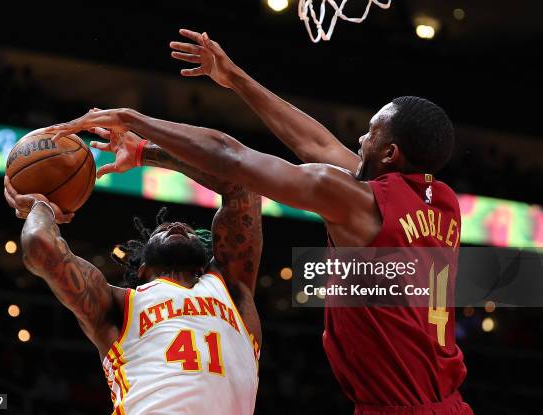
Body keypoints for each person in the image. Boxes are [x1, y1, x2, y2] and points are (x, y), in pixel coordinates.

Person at [44, 82, 472, 413]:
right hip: (446, 399)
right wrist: (232, 78)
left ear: (390, 154)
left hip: (398, 405)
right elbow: (319, 147)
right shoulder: (442, 201)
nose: (359, 141)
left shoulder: (356, 204)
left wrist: (132, 119)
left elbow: (232, 159)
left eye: (370, 134)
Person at [4, 127, 262, 415]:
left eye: (187, 230)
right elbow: (40, 245)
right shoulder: (117, 306)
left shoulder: (230, 287)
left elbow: (242, 185)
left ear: (204, 262)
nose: (176, 226)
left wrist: (144, 152)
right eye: (161, 230)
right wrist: (42, 207)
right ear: (142, 268)